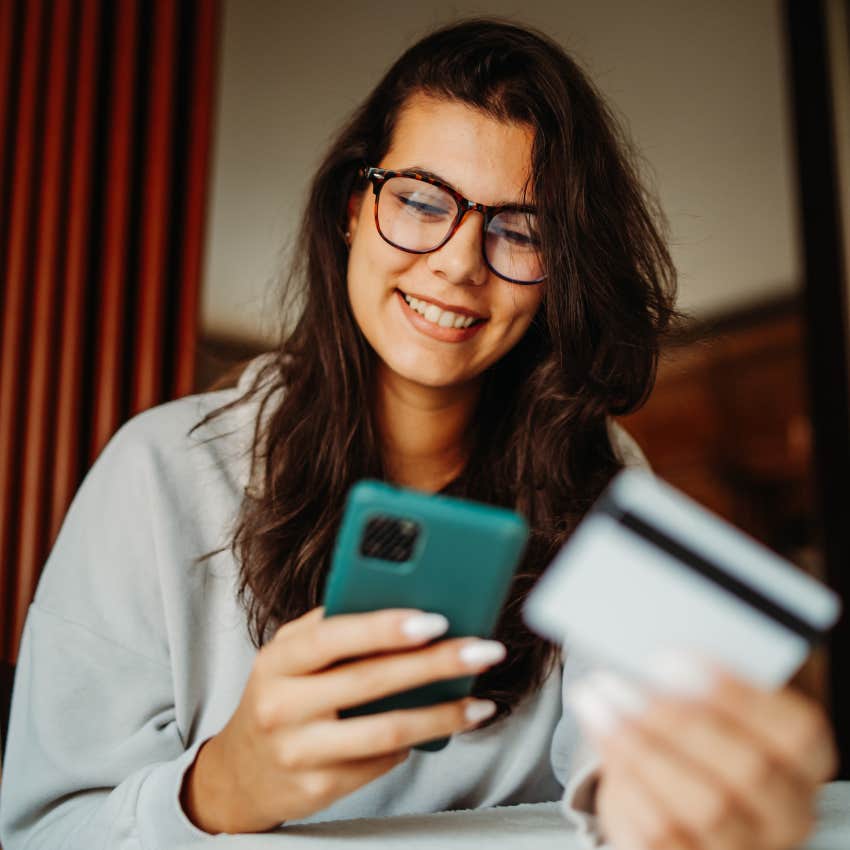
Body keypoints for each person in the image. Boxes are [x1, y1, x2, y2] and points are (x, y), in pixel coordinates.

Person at [0, 17, 836, 850]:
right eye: (421, 201)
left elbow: (618, 779)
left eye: (521, 228)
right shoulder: (159, 471)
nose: (459, 262)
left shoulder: (605, 475)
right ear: (351, 211)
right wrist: (221, 784)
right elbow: (42, 832)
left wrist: (680, 790)